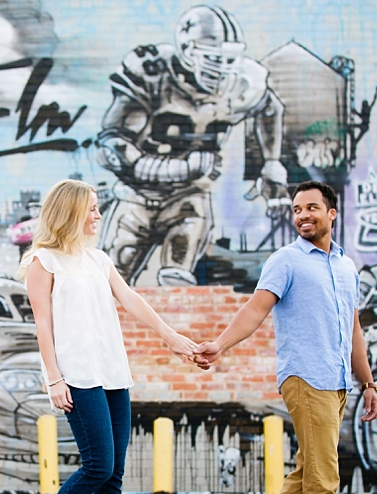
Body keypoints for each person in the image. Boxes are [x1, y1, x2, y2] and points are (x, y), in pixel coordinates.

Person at [11, 179, 198, 494]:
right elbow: (42, 325)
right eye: (92, 208)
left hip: (112, 372)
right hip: (76, 376)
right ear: (71, 211)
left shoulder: (98, 259)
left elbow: (131, 300)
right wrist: (54, 378)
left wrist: (173, 338)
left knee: (113, 474)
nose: (98, 215)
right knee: (97, 465)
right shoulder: (43, 262)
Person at [194, 180, 377, 494]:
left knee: (308, 473)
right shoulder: (287, 261)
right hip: (304, 376)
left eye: (312, 208)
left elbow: (353, 330)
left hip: (336, 382)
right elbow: (256, 307)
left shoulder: (346, 267)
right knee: (323, 478)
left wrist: (368, 382)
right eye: (297, 209)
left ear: (332, 213)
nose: (303, 216)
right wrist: (220, 345)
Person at [96, 4, 288, 286]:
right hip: (135, 196)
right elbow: (111, 146)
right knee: (108, 281)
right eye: (212, 58)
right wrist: (175, 168)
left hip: (189, 196)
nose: (221, 69)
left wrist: (271, 162)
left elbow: (270, 109)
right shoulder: (154, 74)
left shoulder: (244, 83)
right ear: (187, 51)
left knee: (178, 278)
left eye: (228, 59)